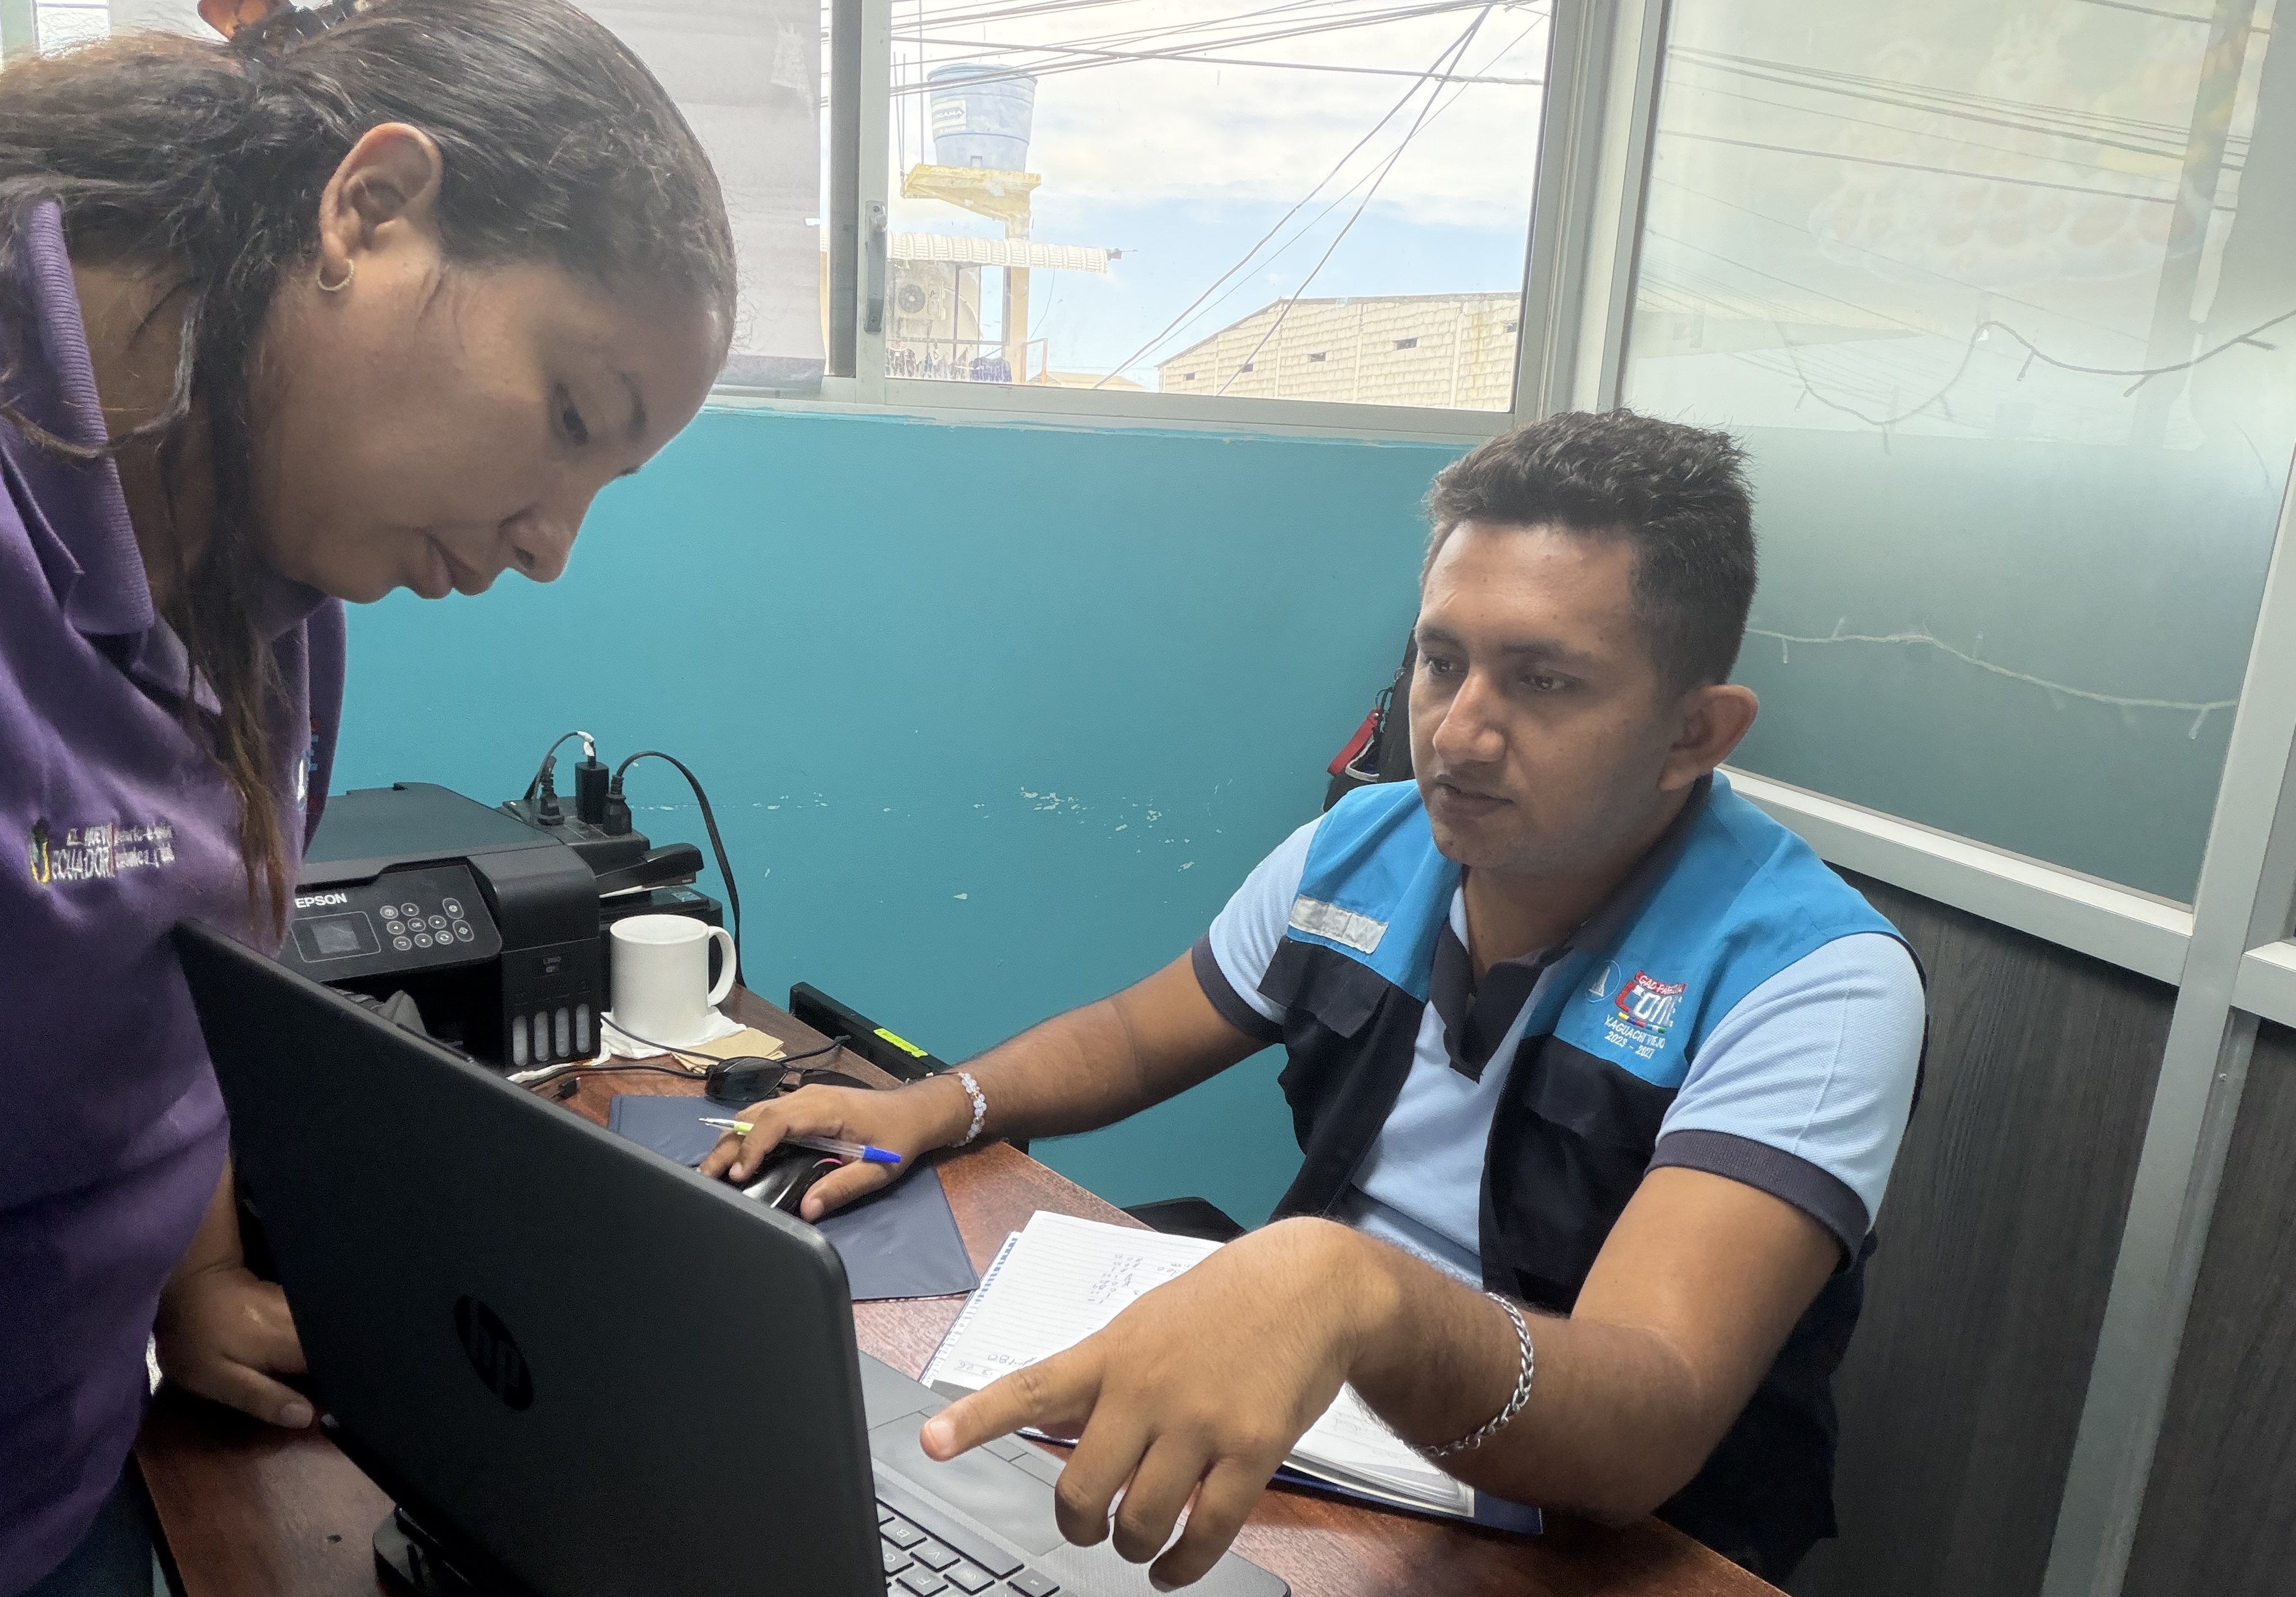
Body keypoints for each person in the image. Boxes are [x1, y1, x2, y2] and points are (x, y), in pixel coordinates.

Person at [704, 411, 1926, 1585]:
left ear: (1693, 734)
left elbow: (1644, 1424)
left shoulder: (1812, 979)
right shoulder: (1359, 847)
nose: (1460, 733)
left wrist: (1355, 1292)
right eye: (1441, 662)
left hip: (1606, 1539)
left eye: (1545, 681)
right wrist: (936, 1104)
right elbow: (1134, 1034)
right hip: (1328, 1441)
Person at [0, 0, 734, 1597]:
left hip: (59, 1479)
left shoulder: (280, 587)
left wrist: (192, 1278)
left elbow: (176, 980)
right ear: (370, 207)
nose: (551, 545)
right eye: (569, 413)